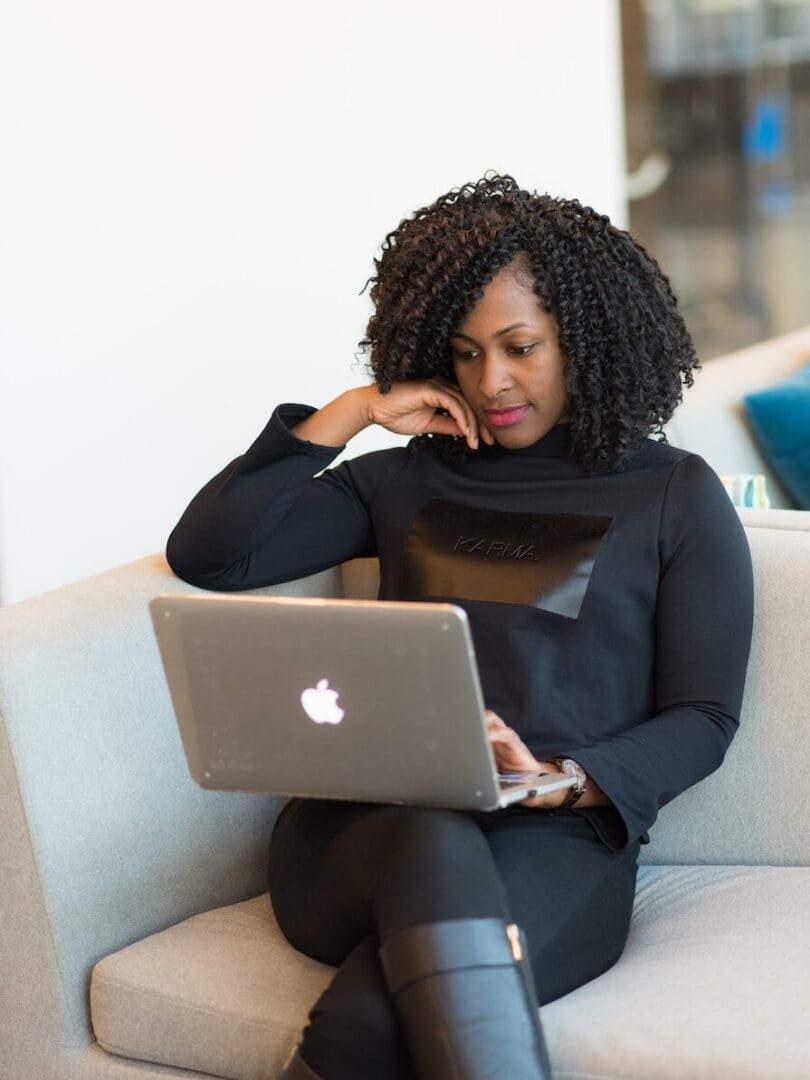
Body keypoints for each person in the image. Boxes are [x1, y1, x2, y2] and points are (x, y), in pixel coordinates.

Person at [165, 172, 754, 1080]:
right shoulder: (408, 477)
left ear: (585, 341)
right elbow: (214, 554)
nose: (493, 381)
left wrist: (559, 782)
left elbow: (704, 717)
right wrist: (353, 413)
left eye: (521, 347)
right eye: (466, 352)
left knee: (380, 1015)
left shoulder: (673, 494)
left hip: (554, 841)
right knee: (431, 836)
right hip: (359, 835)